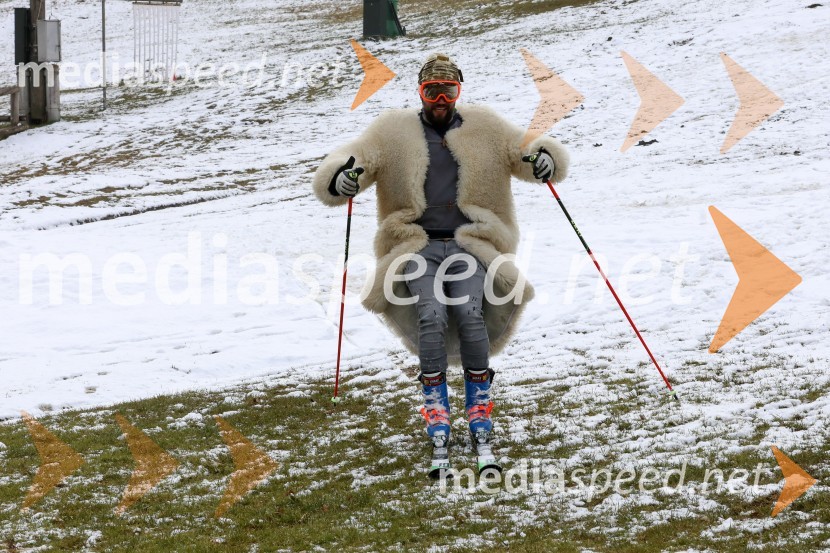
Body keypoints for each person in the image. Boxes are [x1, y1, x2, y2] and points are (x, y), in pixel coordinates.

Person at [312, 53, 569, 476]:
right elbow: (353, 157)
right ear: (420, 92)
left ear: (458, 92)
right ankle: (436, 414)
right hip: (416, 245)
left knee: (471, 314)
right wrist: (340, 176)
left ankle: (479, 412)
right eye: (431, 90)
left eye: (448, 90)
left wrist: (545, 159)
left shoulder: (485, 126)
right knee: (430, 315)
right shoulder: (392, 131)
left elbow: (525, 150)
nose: (440, 99)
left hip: (471, 245)